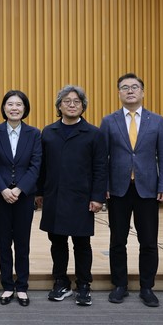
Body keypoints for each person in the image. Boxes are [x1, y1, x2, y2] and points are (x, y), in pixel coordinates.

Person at [100, 73, 163, 307]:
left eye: (134, 87)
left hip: (148, 190)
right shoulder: (109, 121)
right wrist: (103, 187)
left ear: (142, 92)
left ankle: (147, 287)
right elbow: (102, 158)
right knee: (117, 240)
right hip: (118, 190)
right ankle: (119, 285)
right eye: (124, 87)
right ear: (119, 93)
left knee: (149, 241)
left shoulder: (157, 121)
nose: (129, 91)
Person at [37, 85, 107, 307]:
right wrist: (39, 193)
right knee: (57, 242)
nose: (72, 105)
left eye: (77, 101)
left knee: (82, 243)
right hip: (54, 197)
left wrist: (97, 197)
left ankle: (84, 284)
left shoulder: (94, 133)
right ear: (59, 106)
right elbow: (42, 166)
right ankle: (61, 281)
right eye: (67, 101)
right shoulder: (48, 132)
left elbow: (100, 168)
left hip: (81, 199)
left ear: (83, 106)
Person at [0, 90, 41, 307]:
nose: (14, 108)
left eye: (19, 104)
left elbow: (36, 165)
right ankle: (7, 285)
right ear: (4, 108)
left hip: (24, 196)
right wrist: (3, 189)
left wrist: (19, 189)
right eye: (10, 104)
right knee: (3, 242)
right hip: (0, 196)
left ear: (25, 108)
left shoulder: (34, 133)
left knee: (22, 242)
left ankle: (22, 286)